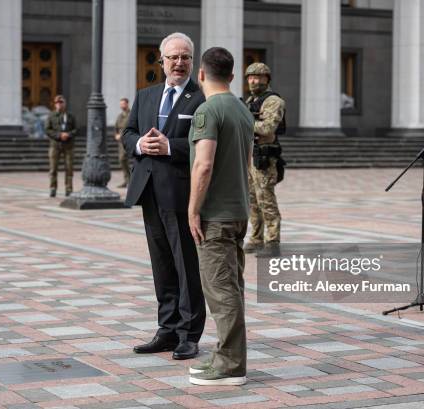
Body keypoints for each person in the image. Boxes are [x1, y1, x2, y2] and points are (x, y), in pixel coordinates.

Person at [121, 32, 206, 360]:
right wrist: (140, 144)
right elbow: (128, 133)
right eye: (173, 57)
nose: (179, 62)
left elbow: (208, 144)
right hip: (149, 191)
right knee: (162, 265)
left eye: (185, 57)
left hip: (183, 193)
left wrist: (171, 146)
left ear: (192, 61)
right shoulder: (146, 96)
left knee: (186, 265)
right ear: (161, 61)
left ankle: (189, 334)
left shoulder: (201, 99)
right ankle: (167, 330)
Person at [188, 47, 254, 386]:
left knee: (220, 290)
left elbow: (204, 164)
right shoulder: (242, 110)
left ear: (201, 74)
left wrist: (193, 209)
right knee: (232, 286)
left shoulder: (208, 110)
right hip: (238, 211)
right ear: (231, 75)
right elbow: (246, 164)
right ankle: (227, 356)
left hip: (216, 215)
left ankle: (230, 366)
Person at [242, 63, 286, 255]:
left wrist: (243, 120)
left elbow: (267, 128)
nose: (254, 81)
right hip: (250, 156)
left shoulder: (273, 101)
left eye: (258, 77)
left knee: (266, 200)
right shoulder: (251, 100)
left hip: (265, 159)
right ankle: (256, 237)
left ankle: (273, 241)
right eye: (251, 77)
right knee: (252, 200)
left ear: (267, 79)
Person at [45, 95, 77, 197]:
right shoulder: (51, 116)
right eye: (57, 103)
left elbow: (76, 129)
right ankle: (53, 188)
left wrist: (68, 134)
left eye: (61, 102)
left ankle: (69, 189)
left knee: (69, 168)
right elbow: (47, 129)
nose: (59, 104)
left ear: (64, 103)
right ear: (55, 104)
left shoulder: (70, 116)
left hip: (68, 146)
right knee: (53, 168)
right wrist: (59, 135)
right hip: (55, 145)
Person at [114, 97, 131, 188]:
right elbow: (116, 128)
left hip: (129, 140)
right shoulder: (120, 116)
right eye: (120, 104)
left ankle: (130, 180)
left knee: (126, 159)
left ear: (127, 104)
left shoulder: (131, 114)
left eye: (123, 104)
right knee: (122, 160)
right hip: (121, 142)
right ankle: (127, 180)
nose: (121, 106)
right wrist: (116, 135)